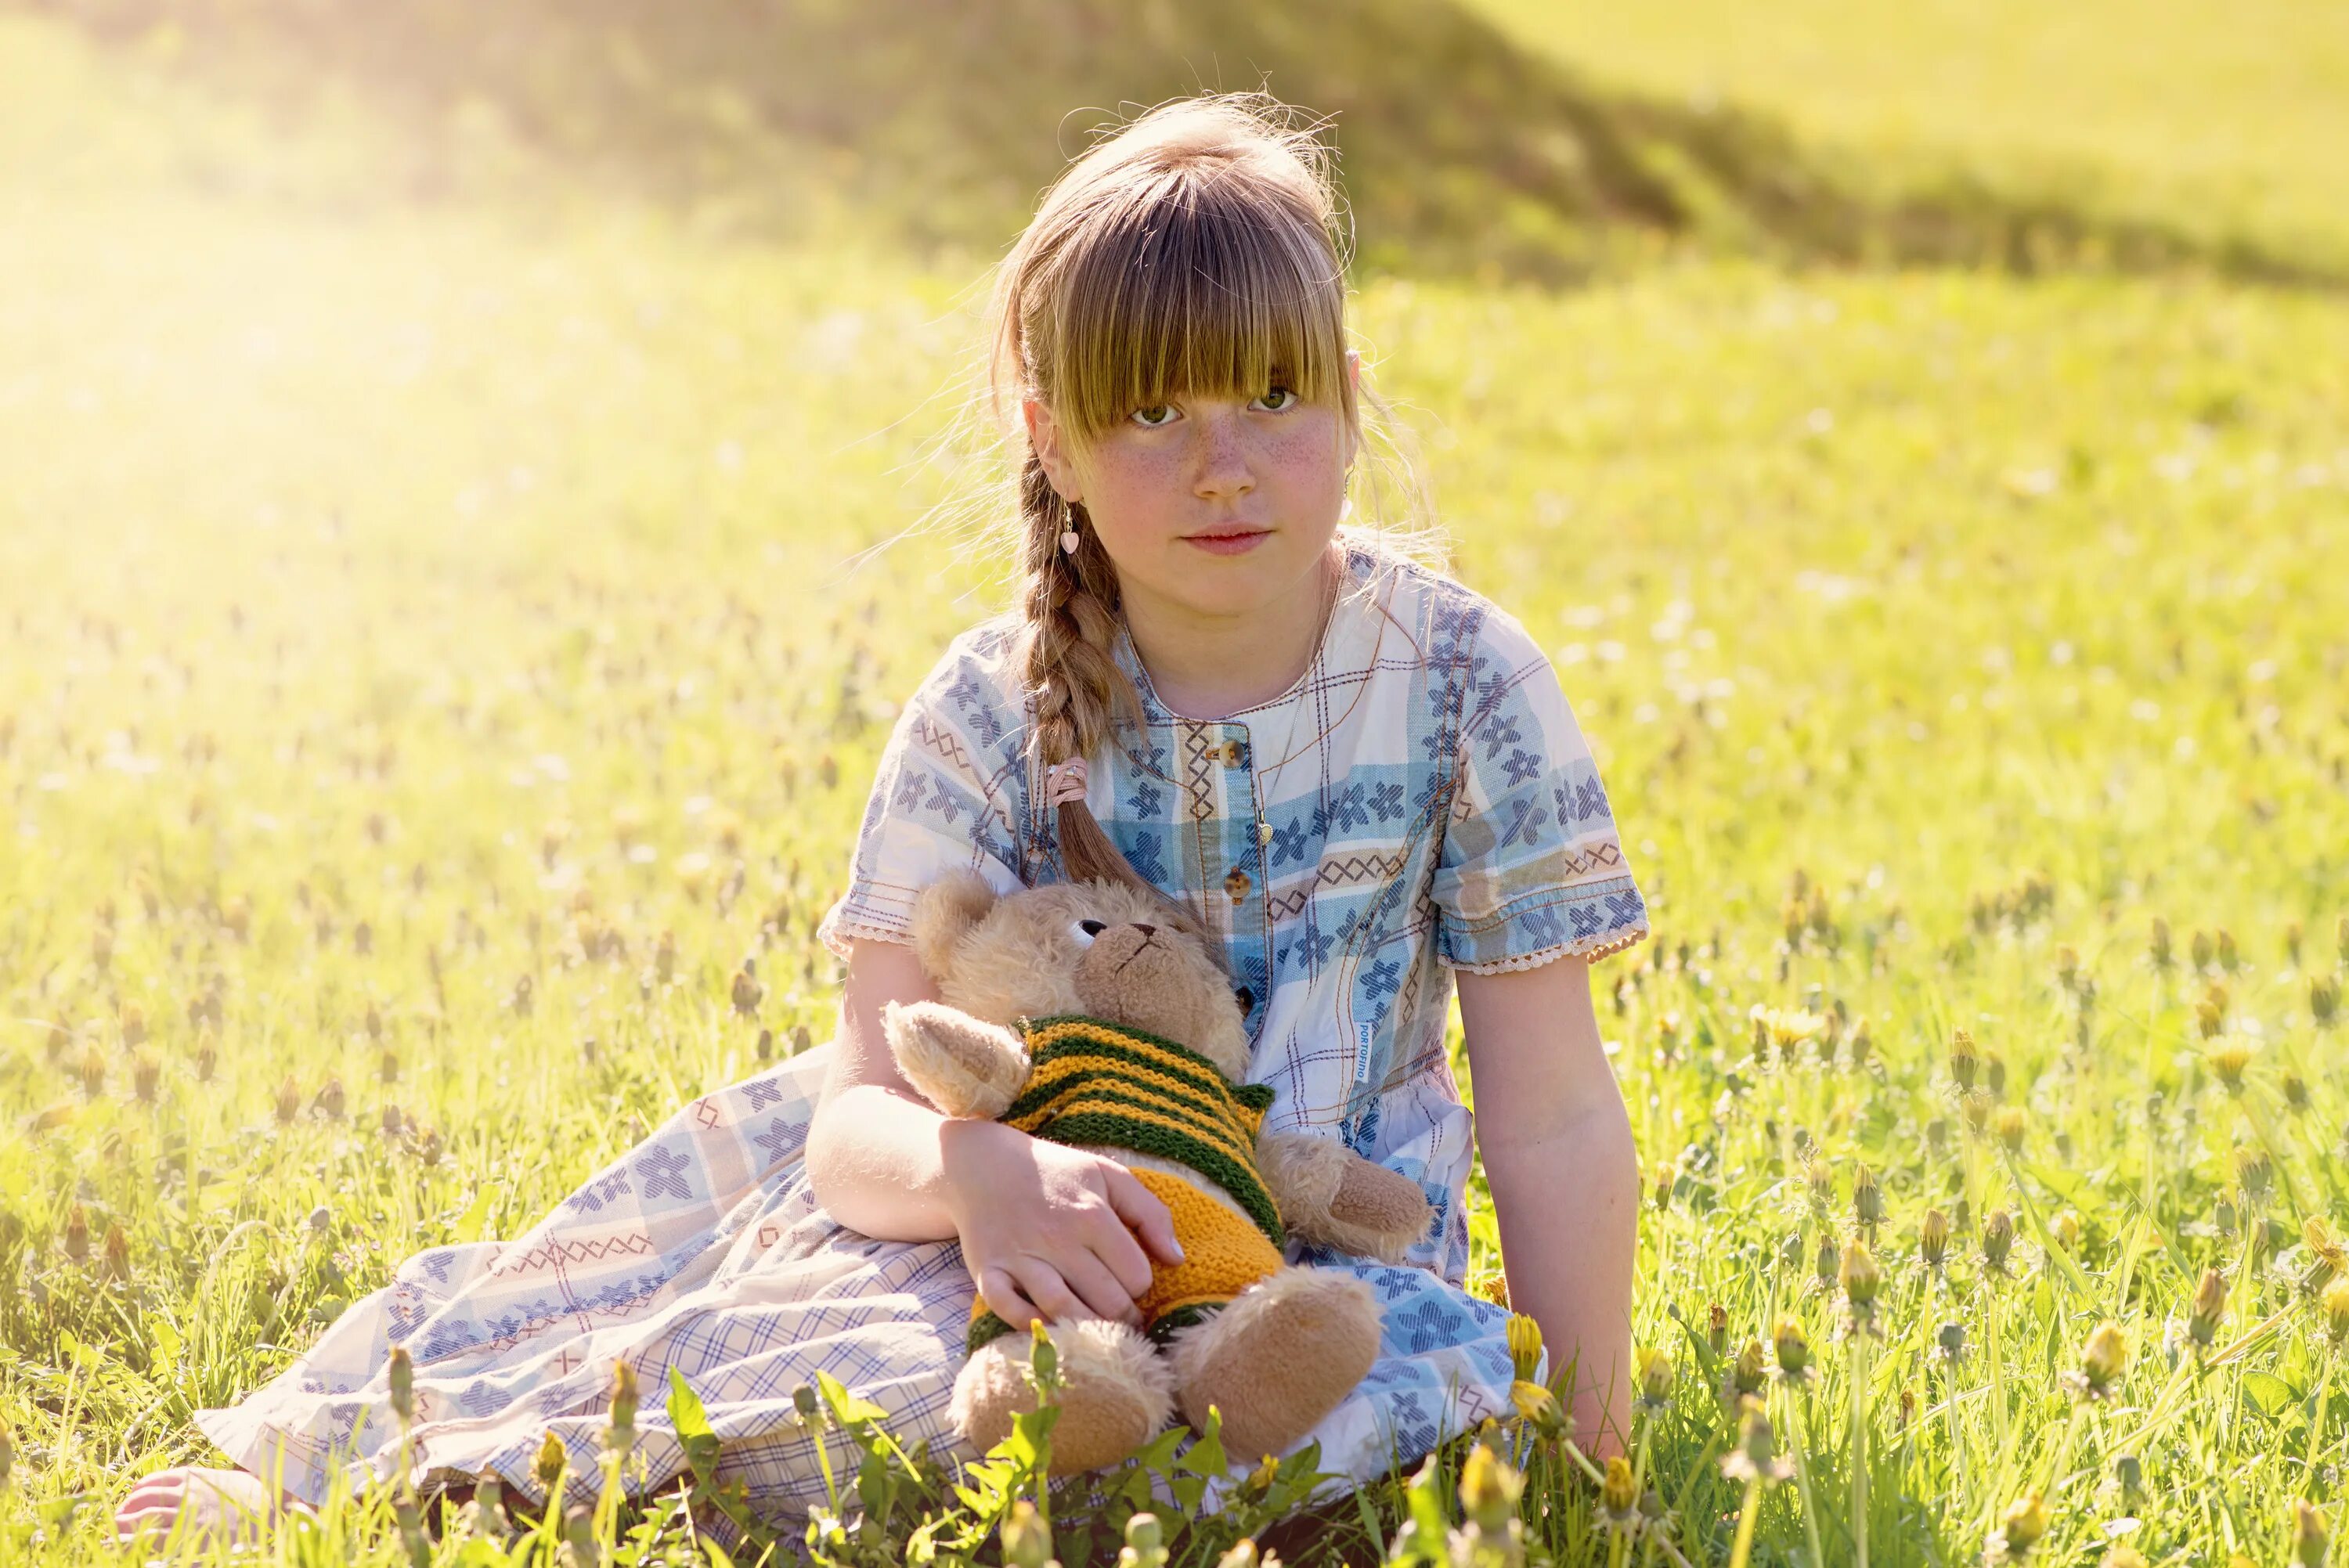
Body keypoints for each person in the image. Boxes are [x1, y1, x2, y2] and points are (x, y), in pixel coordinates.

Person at [114, 89, 1648, 1553]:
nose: (1221, 460)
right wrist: (978, 1179)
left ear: (1349, 398)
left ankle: (1179, 1486)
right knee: (811, 1378)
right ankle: (398, 1480)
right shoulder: (993, 709)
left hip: (1320, 1260)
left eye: (1272, 393)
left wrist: (1596, 1447)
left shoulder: (1461, 685)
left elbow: (1554, 1111)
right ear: (1051, 441)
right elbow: (860, 1119)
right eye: (1149, 413)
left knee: (1362, 1410)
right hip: (1010, 1227)